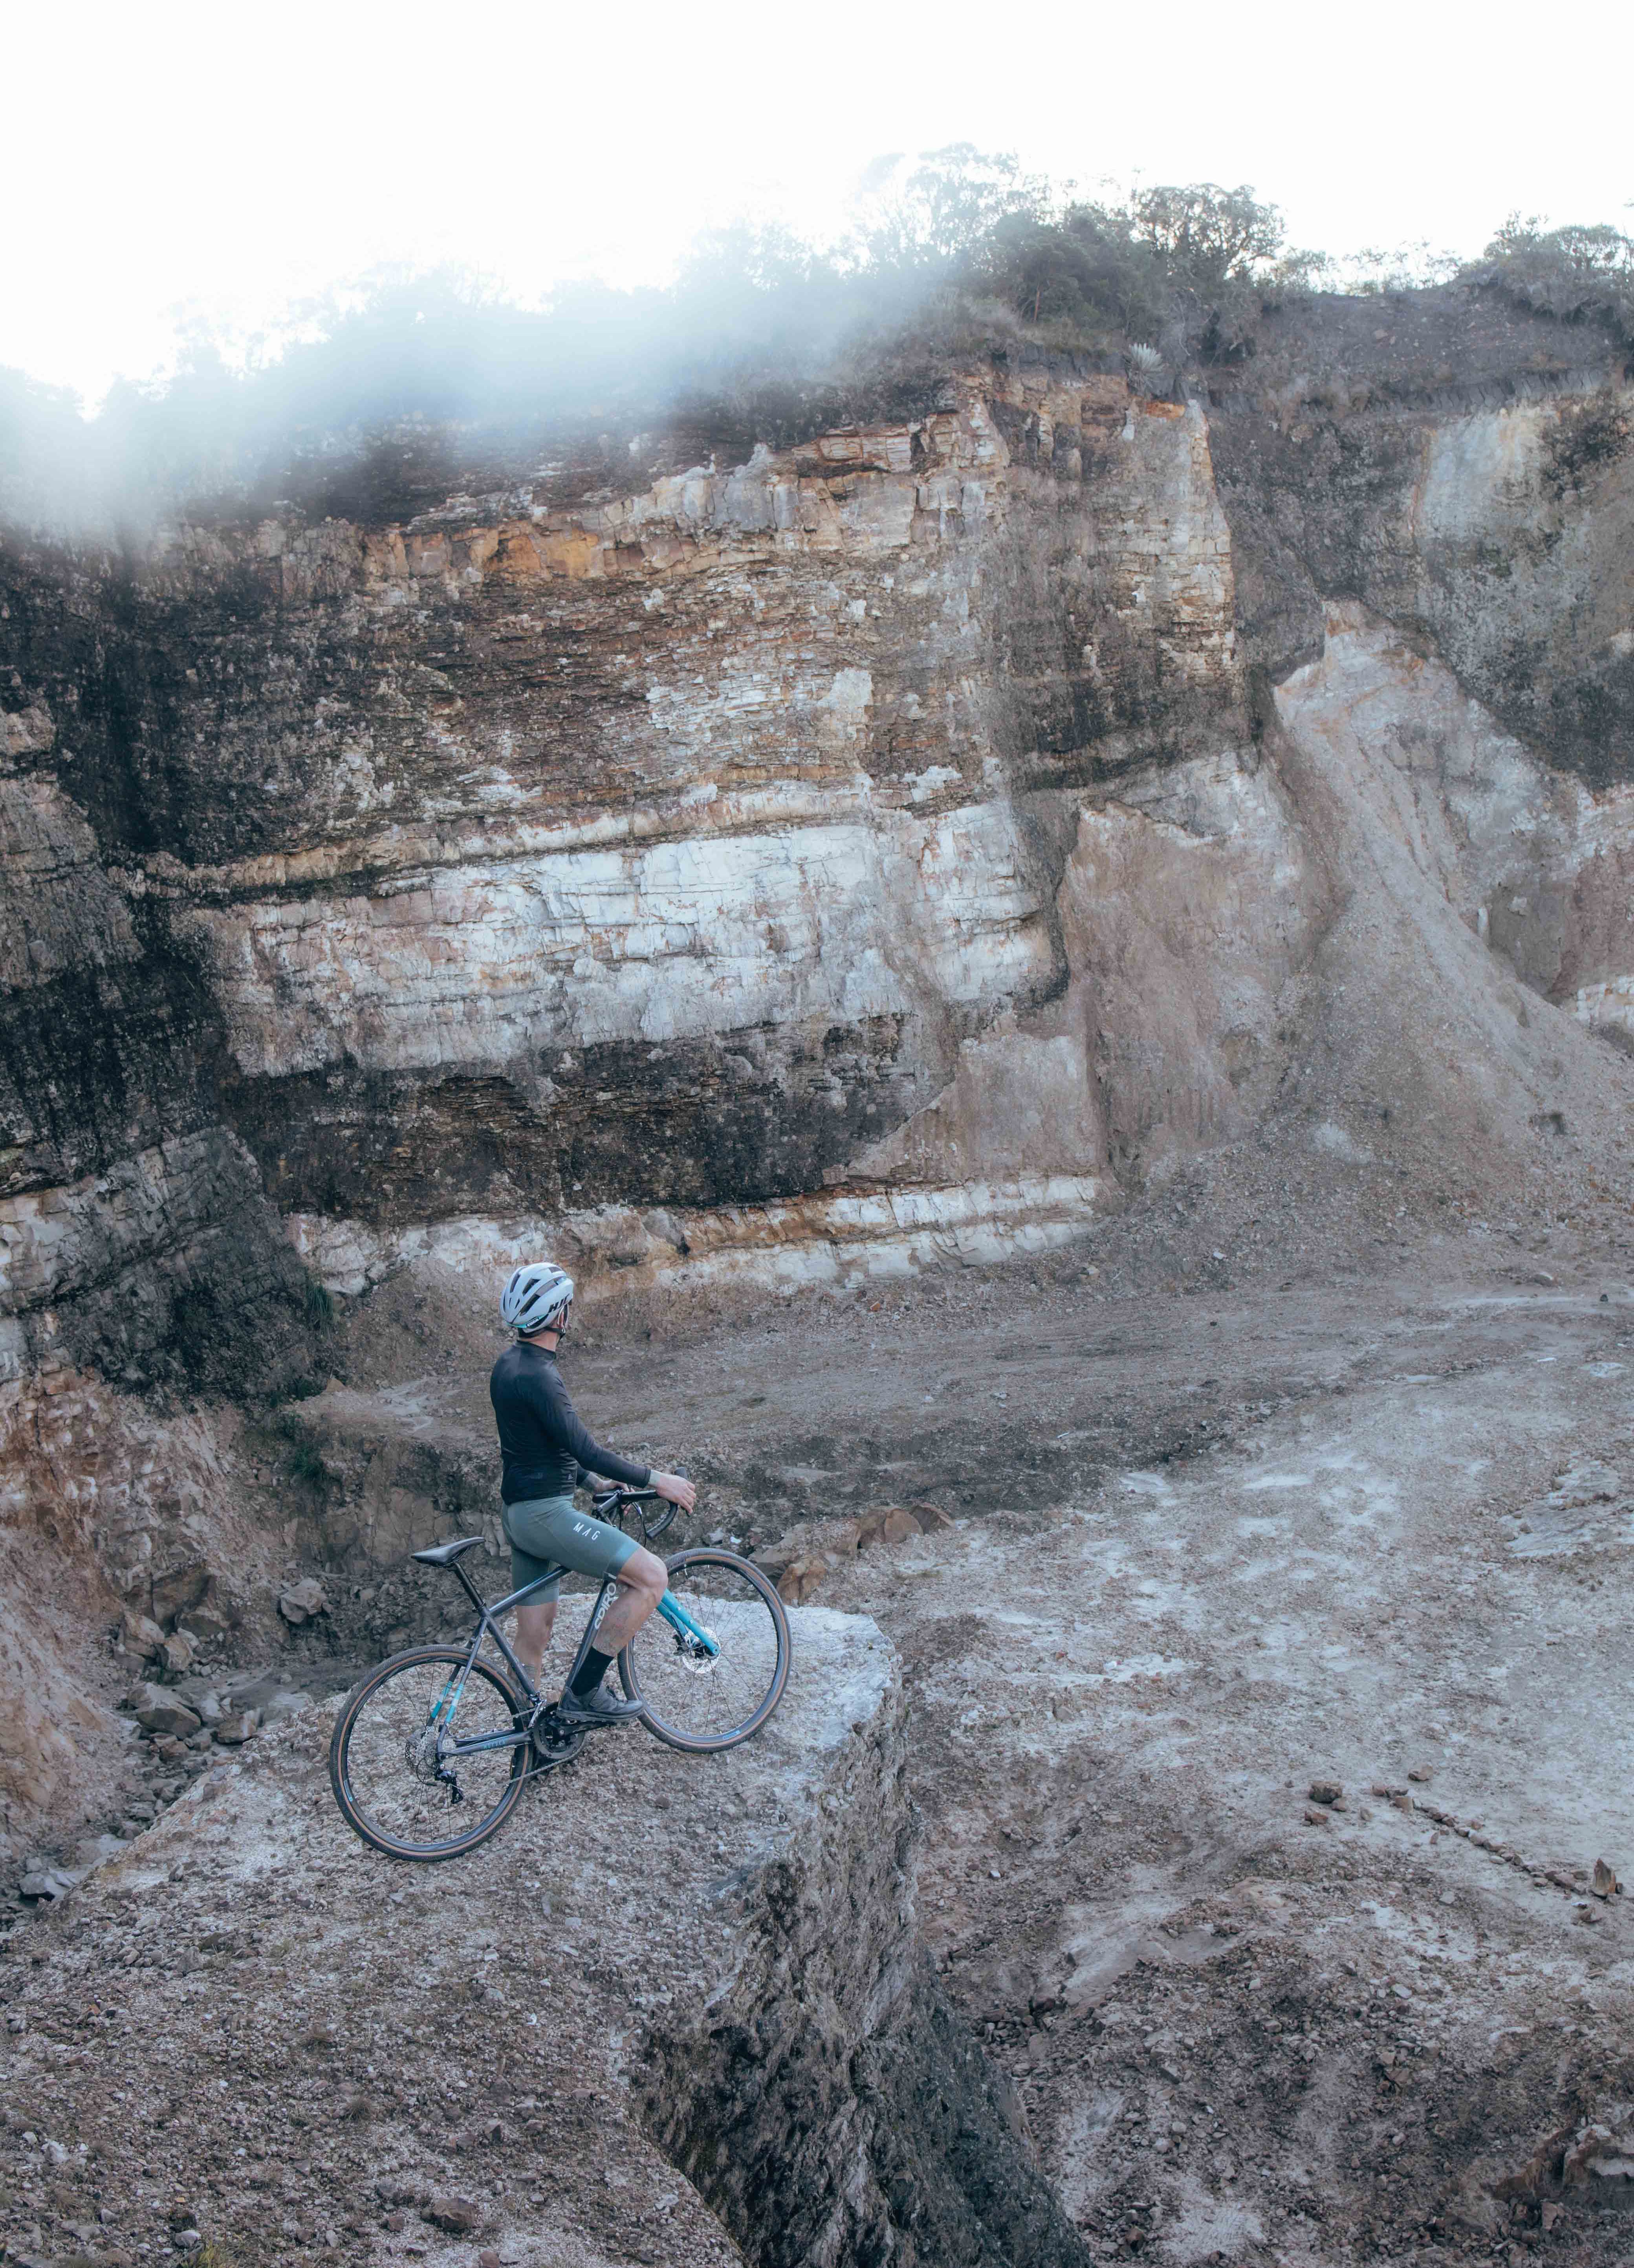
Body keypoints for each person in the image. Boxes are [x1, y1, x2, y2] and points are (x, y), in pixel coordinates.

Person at [489, 1261, 695, 1726]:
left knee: (533, 1636)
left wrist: (591, 1483)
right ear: (558, 1315)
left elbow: (541, 1445)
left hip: (519, 1513)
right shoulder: (541, 1376)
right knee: (650, 1576)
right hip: (545, 1516)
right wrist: (656, 1479)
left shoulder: (509, 1365)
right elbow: (584, 1447)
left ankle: (532, 1740)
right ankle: (585, 1691)